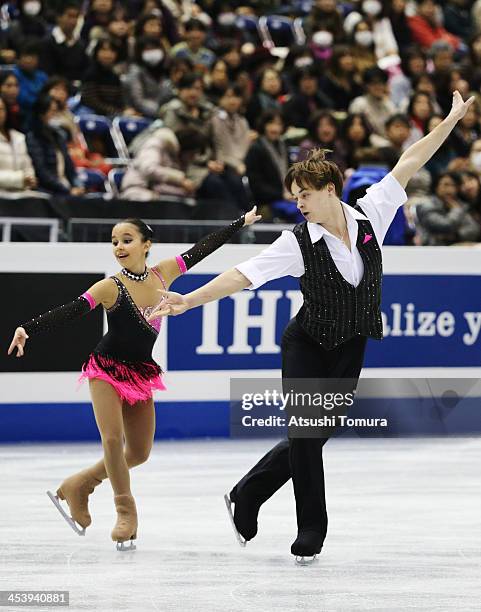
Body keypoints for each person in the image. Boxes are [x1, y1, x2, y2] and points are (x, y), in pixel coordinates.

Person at [147, 91, 475, 563]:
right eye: (294, 195)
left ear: (328, 189)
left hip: (352, 343)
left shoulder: (370, 215)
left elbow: (410, 159)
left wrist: (448, 121)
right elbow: (242, 274)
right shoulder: (295, 242)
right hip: (306, 343)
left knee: (319, 431)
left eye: (304, 194)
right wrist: (189, 300)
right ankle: (311, 530)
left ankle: (248, 492)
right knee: (305, 433)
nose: (298, 202)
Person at [7, 210, 261, 550]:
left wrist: (239, 224)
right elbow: (73, 309)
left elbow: (201, 249)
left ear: (146, 245)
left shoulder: (163, 274)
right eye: (114, 242)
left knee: (139, 452)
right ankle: (125, 512)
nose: (119, 247)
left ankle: (80, 484)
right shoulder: (110, 286)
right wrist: (29, 328)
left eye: (127, 240)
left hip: (140, 373)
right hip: (106, 370)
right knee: (113, 440)